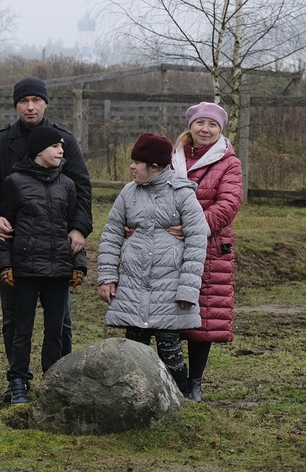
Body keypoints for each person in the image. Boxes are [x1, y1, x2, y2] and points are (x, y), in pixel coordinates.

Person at [0, 77, 92, 401]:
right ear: (16, 105)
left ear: (46, 103)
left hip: (57, 249)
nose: (30, 107)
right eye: (23, 101)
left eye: (36, 100)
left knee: (61, 322)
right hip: (16, 246)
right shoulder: (1, 143)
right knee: (16, 318)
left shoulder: (64, 140)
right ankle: (19, 381)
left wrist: (79, 228)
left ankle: (58, 379)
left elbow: (81, 188)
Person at [97, 132, 209, 395]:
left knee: (171, 357)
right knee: (133, 356)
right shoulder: (128, 193)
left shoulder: (182, 194)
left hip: (169, 293)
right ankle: (136, 404)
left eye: (137, 162)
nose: (132, 167)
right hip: (133, 289)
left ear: (155, 167)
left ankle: (182, 405)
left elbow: (197, 242)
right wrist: (107, 277)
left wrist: (187, 290)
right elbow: (111, 234)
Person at [171, 102, 242, 401]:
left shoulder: (229, 162)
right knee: (169, 310)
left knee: (204, 313)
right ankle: (175, 378)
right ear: (190, 126)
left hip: (210, 246)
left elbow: (229, 204)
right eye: (200, 123)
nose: (205, 129)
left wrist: (192, 227)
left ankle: (195, 382)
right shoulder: (170, 157)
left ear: (220, 130)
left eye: (212, 125)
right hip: (168, 244)